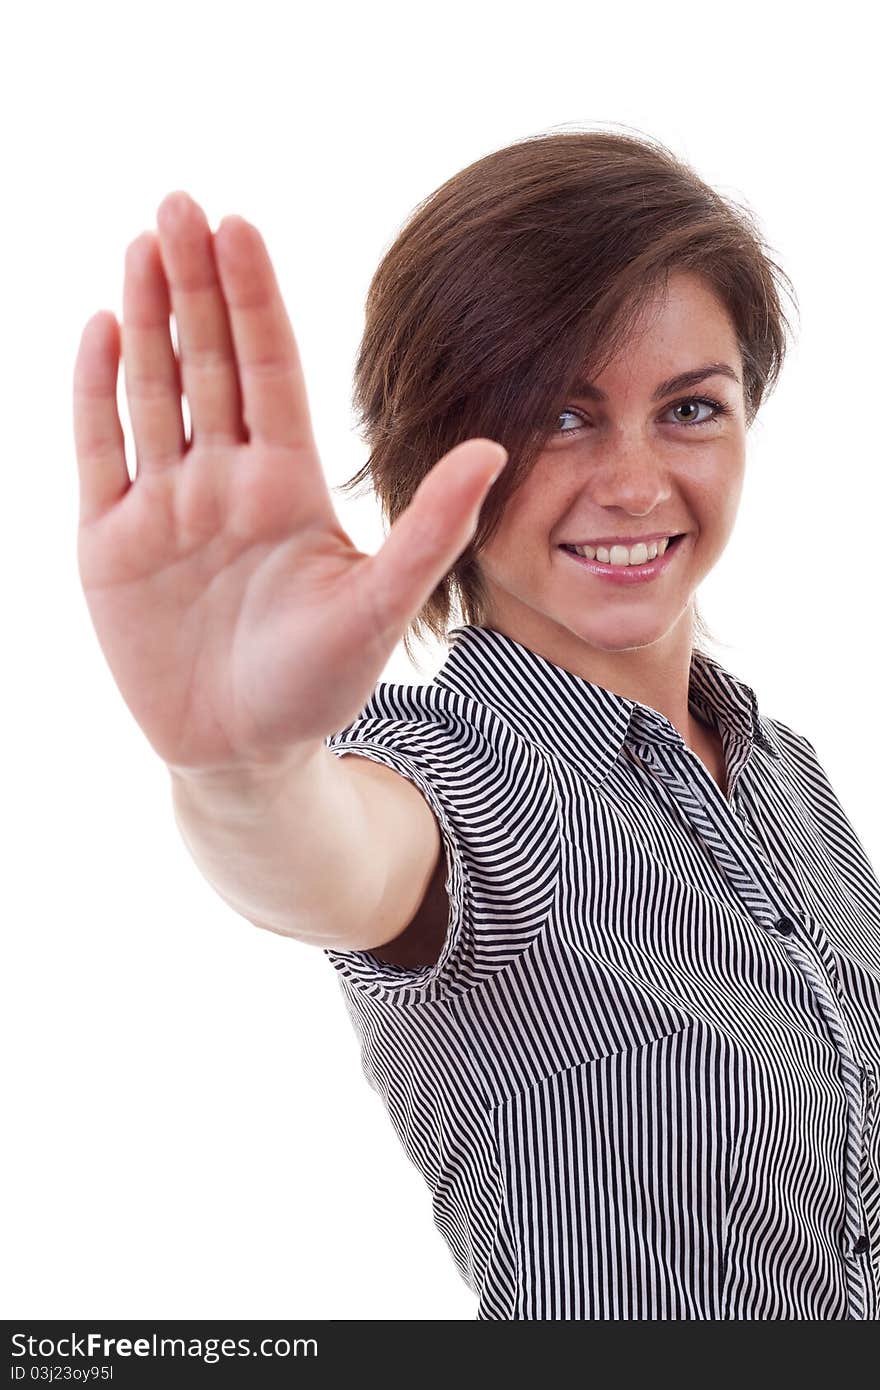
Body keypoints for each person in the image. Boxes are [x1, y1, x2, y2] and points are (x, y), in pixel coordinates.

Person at [73, 127, 880, 1320]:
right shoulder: (449, 777)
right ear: (436, 450)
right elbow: (322, 855)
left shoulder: (784, 774)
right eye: (560, 416)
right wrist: (241, 772)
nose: (635, 482)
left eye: (690, 408)